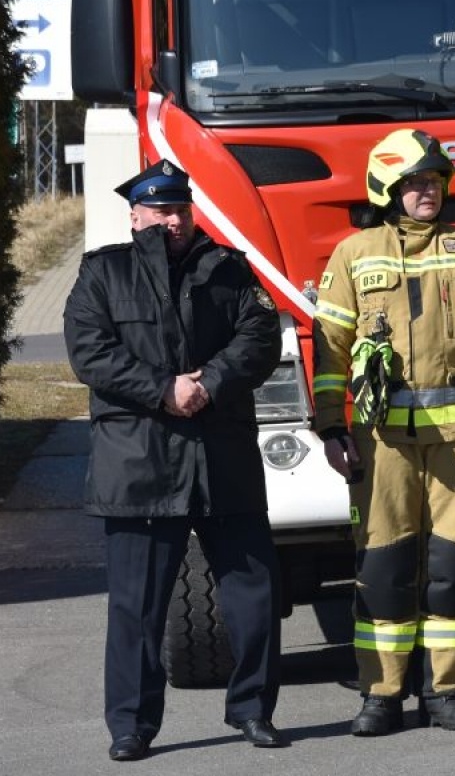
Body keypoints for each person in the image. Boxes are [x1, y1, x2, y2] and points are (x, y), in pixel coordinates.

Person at [63, 158, 287, 760]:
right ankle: (131, 726)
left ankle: (253, 710)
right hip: (140, 465)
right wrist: (163, 389)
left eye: (180, 209)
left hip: (222, 461)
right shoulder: (103, 273)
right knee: (136, 609)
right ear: (134, 216)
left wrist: (208, 383)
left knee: (255, 596)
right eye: (160, 210)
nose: (173, 220)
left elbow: (260, 337)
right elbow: (90, 352)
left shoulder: (230, 269)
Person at [311, 129, 455, 736]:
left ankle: (447, 691)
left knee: (454, 569)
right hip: (380, 442)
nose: (428, 191)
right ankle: (381, 696)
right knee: (384, 568)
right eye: (414, 183)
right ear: (387, 189)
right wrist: (330, 424)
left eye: (434, 181)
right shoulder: (354, 253)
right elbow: (330, 349)